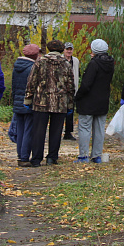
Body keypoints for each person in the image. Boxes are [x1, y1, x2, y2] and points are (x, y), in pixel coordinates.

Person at [23, 39, 75, 167]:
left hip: (41, 101)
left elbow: (32, 82)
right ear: (61, 50)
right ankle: (52, 157)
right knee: (56, 131)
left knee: (38, 131)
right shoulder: (66, 64)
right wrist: (70, 104)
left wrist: (28, 99)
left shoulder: (40, 62)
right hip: (60, 102)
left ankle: (36, 159)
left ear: (48, 49)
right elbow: (70, 86)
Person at [74, 38, 114, 164]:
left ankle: (83, 155)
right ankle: (97, 155)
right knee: (99, 128)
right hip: (103, 100)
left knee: (85, 128)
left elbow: (87, 84)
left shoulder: (94, 64)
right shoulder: (110, 63)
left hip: (89, 101)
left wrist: (78, 96)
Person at [12, 43, 40, 167]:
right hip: (28, 103)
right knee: (29, 130)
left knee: (21, 130)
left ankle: (20, 155)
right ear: (35, 55)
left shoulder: (16, 67)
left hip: (17, 102)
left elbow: (13, 86)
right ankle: (24, 157)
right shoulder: (32, 68)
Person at [62, 41, 80, 141]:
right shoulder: (60, 59)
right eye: (67, 49)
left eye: (70, 49)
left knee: (70, 112)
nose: (69, 51)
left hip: (72, 90)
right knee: (60, 112)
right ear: (64, 50)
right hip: (61, 90)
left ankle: (68, 132)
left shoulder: (75, 61)